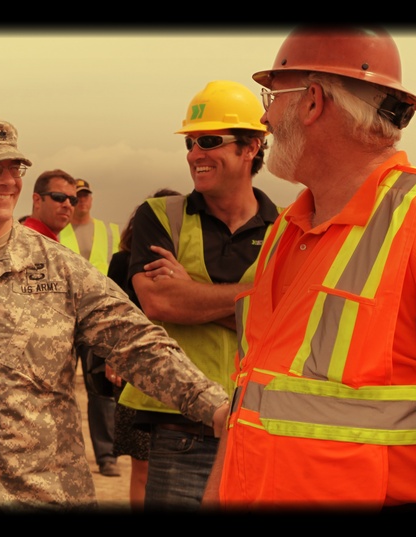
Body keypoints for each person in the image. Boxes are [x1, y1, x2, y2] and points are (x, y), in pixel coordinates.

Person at [0, 118, 229, 512]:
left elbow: (135, 341)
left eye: (13, 169)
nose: (7, 181)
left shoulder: (60, 269)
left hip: (45, 494)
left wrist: (215, 406)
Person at [204, 27, 416, 511]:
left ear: (312, 102)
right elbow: (254, 394)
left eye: (273, 96)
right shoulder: (287, 230)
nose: (265, 116)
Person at [119, 80, 279, 511]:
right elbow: (161, 304)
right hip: (182, 425)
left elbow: (289, 320)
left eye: (209, 141)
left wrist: (192, 292)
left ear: (252, 147)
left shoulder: (285, 230)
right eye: (191, 143)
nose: (194, 155)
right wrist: (255, 298)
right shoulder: (159, 216)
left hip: (259, 422)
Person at [106, 186, 182, 510]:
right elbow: (113, 312)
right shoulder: (123, 261)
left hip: (181, 368)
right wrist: (113, 357)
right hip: (134, 368)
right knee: (142, 465)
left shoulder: (190, 264)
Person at [58, 178, 123, 478]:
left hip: (98, 317)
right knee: (57, 386)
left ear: (91, 199)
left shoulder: (111, 232)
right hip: (63, 317)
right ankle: (59, 453)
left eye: (84, 196)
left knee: (101, 390)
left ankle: (106, 456)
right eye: (75, 197)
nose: (80, 202)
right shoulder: (55, 232)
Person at [20, 169, 77, 241]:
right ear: (37, 200)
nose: (68, 205)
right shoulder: (24, 240)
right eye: (59, 197)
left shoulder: (48, 243)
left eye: (73, 200)